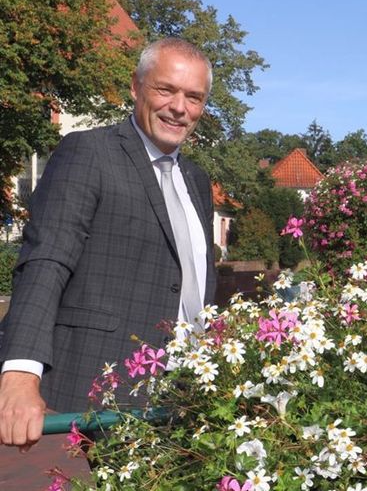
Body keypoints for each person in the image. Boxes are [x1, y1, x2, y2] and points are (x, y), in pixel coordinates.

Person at [0, 37, 217, 450]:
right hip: (88, 393)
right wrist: (19, 377)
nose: (179, 108)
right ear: (136, 87)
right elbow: (46, 260)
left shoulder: (197, 182)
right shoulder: (89, 153)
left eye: (194, 97)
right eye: (166, 90)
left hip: (175, 406)